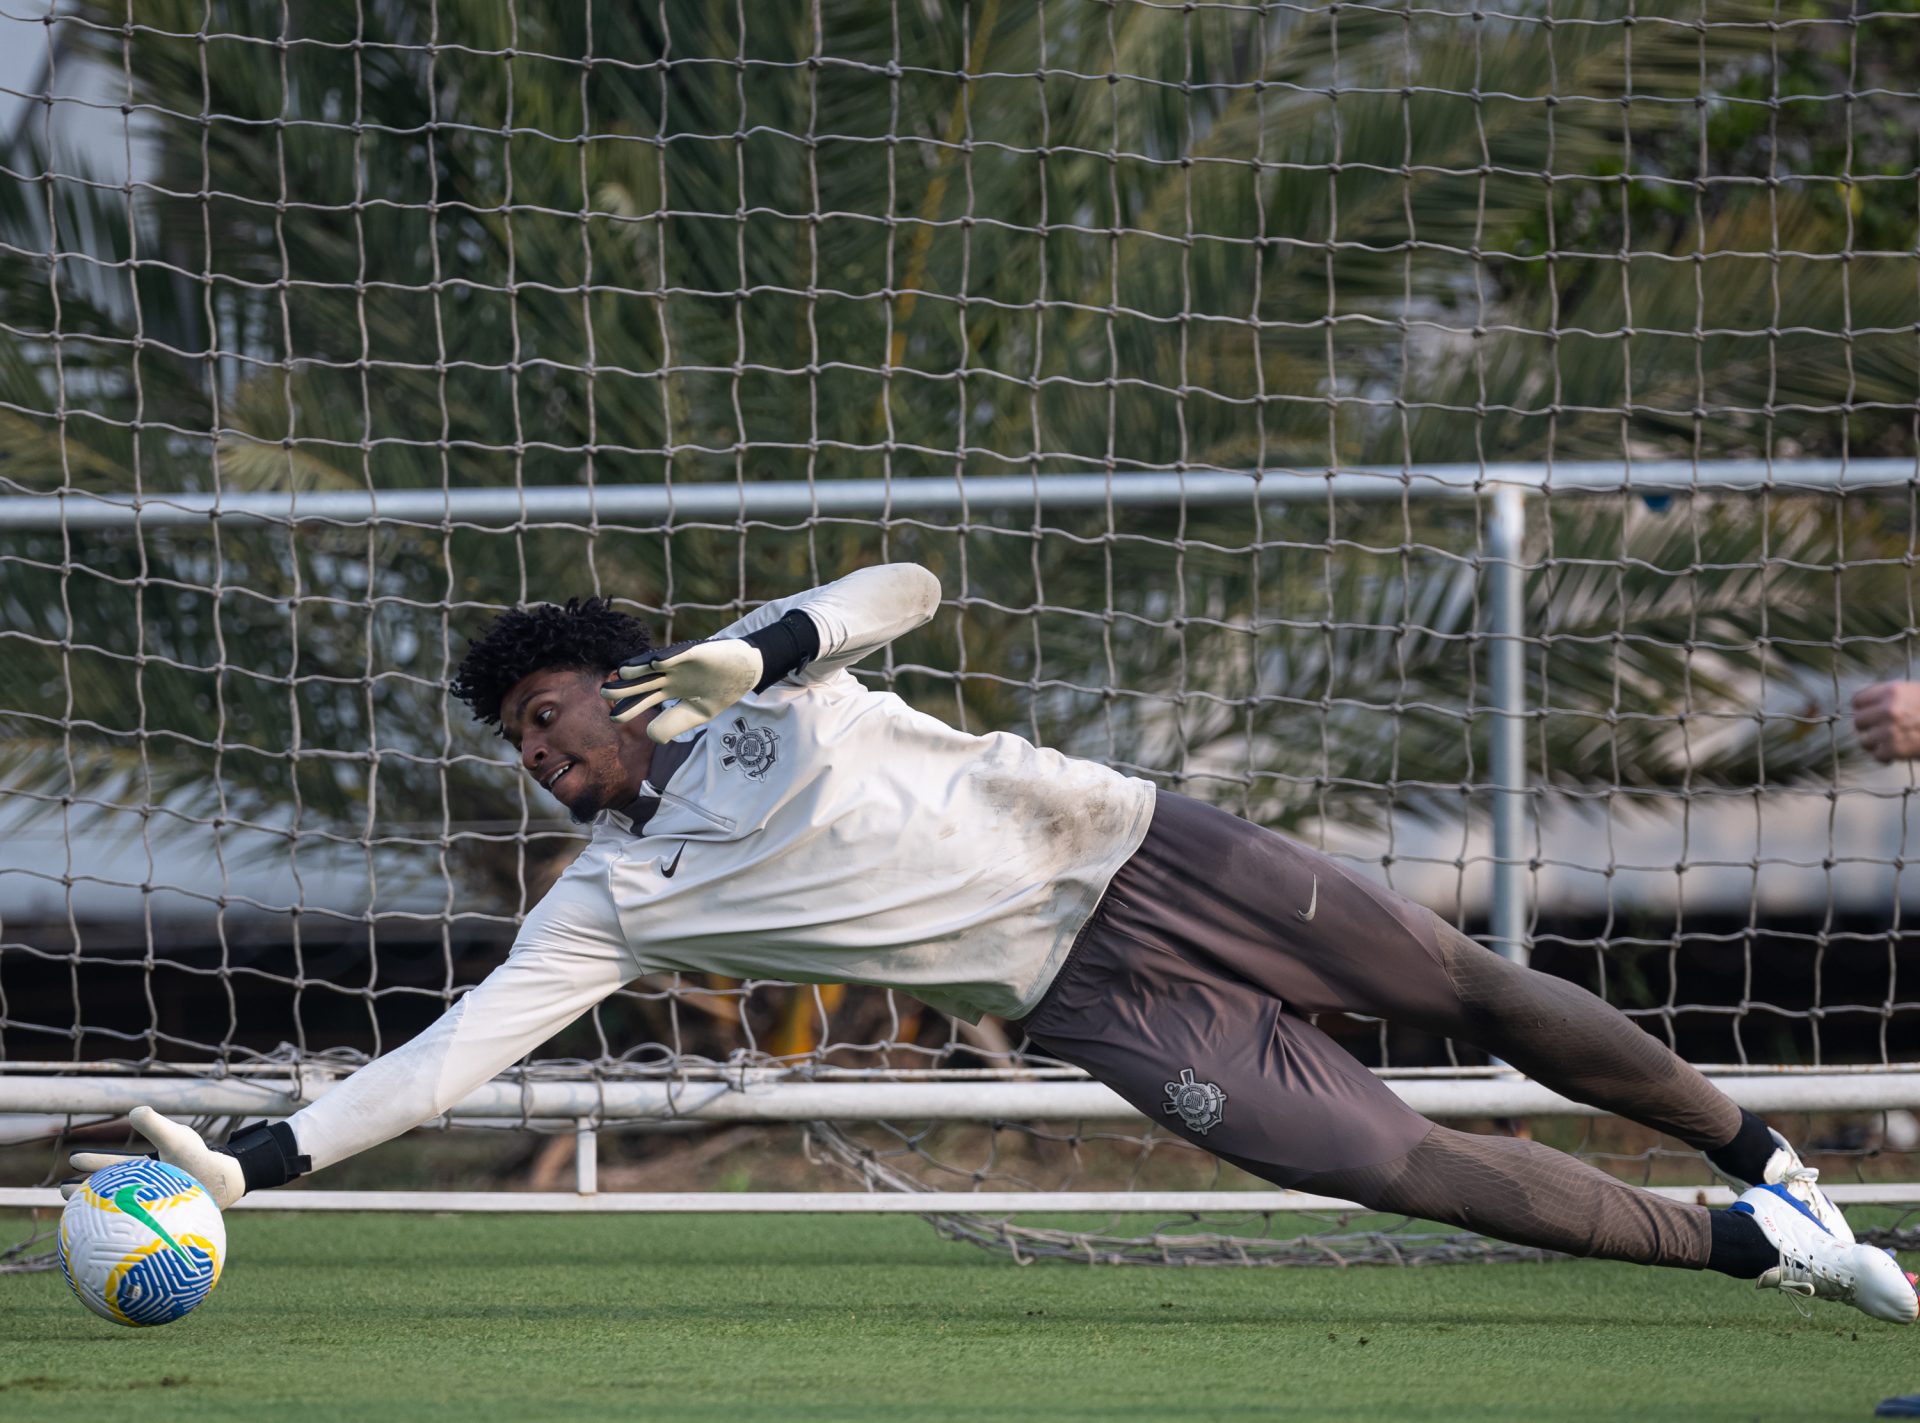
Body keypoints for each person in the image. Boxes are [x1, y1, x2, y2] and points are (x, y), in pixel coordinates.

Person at [69, 564, 1918, 1322]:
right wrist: (249, 1161)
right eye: (525, 745)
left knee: (1481, 992)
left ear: (625, 685)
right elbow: (454, 1058)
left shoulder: (762, 696)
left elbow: (907, 586)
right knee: (1395, 1162)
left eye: (558, 714)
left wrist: (766, 647)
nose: (548, 755)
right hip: (1089, 997)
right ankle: (1763, 1249)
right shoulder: (610, 900)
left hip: (1154, 853)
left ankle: (1762, 1149)